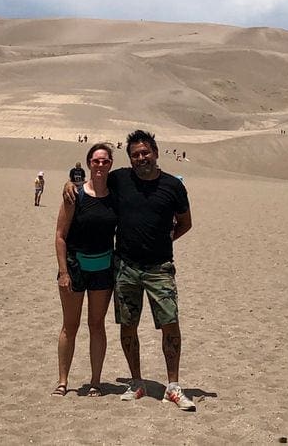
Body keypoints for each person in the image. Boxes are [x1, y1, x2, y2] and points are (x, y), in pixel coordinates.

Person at [63, 129, 195, 411]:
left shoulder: (173, 186)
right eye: (135, 154)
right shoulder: (120, 179)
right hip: (125, 266)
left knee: (170, 323)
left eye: (145, 153)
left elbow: (185, 223)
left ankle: (173, 385)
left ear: (156, 153)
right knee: (128, 325)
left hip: (159, 267)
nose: (140, 158)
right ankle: (136, 382)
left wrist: (164, 240)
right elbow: (94, 179)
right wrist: (68, 183)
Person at [53, 143, 117, 398]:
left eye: (105, 161)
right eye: (96, 161)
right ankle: (62, 381)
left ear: (111, 164)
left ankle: (96, 381)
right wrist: (63, 271)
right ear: (88, 163)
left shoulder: (116, 195)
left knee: (97, 325)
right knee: (70, 325)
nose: (100, 165)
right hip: (75, 267)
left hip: (103, 269)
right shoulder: (74, 195)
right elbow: (60, 236)